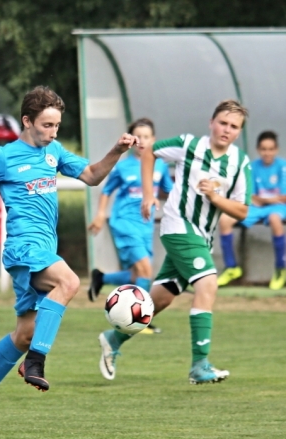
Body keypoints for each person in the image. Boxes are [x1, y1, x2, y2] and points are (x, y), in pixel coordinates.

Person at [0, 86, 138, 429]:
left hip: (43, 249)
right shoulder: (3, 157)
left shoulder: (55, 152)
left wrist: (117, 151)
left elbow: (92, 176)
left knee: (25, 333)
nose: (53, 132)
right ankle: (35, 362)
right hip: (22, 247)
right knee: (69, 281)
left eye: (57, 125)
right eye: (47, 125)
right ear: (27, 121)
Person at [98, 100, 251, 384]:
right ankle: (199, 365)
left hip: (202, 237)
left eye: (234, 126)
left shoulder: (239, 162)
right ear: (211, 122)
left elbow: (242, 210)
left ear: (239, 132)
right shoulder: (189, 145)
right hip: (178, 226)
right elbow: (149, 154)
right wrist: (148, 194)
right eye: (223, 123)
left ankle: (113, 339)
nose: (226, 130)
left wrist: (217, 198)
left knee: (162, 297)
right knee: (208, 283)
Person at [87, 118, 173, 334]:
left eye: (146, 137)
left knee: (138, 276)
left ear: (154, 140)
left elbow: (168, 192)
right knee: (145, 269)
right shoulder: (123, 166)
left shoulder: (159, 164)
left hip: (145, 225)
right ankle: (141, 319)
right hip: (124, 223)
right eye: (138, 137)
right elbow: (107, 191)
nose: (142, 141)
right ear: (132, 141)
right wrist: (100, 215)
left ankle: (102, 278)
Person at [216, 130, 286, 290]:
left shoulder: (283, 167)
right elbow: (251, 196)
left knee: (276, 219)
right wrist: (266, 199)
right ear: (258, 150)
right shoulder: (252, 167)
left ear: (276, 150)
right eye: (263, 149)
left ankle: (281, 269)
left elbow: (284, 197)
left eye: (270, 149)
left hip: (278, 208)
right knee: (225, 219)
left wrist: (266, 200)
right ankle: (231, 267)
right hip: (256, 208)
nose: (267, 153)